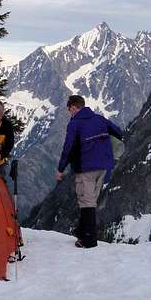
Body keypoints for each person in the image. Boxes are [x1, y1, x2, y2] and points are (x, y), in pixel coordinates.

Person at [56, 95, 123, 248]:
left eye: (69, 110)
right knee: (91, 200)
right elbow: (118, 132)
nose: (70, 113)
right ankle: (81, 232)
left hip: (85, 168)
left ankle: (89, 240)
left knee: (86, 202)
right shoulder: (99, 119)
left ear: (73, 107)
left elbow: (68, 148)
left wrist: (60, 169)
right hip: (103, 167)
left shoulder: (75, 124)